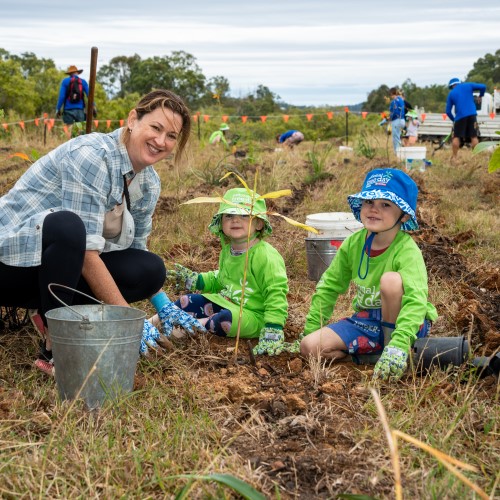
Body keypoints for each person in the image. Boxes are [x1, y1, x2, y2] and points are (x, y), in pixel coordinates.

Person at [0, 89, 205, 376]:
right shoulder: (92, 156)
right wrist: (131, 321)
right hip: (10, 264)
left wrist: (161, 303)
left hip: (51, 270)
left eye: (171, 136)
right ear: (133, 119)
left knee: (150, 270)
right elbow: (84, 251)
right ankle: (56, 344)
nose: (161, 141)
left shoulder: (148, 182)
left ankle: (57, 313)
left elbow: (137, 247)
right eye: (155, 128)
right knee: (69, 227)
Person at [299, 168, 438, 382]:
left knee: (390, 281)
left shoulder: (407, 250)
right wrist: (311, 329)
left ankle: (396, 351)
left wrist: (400, 343)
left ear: (404, 214)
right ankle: (372, 357)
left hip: (405, 323)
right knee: (310, 347)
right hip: (368, 321)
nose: (374, 210)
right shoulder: (353, 244)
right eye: (369, 202)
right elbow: (329, 286)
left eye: (385, 204)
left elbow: (416, 301)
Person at [154, 187, 290, 356]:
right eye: (229, 215)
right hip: (228, 301)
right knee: (186, 300)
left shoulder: (266, 256)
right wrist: (197, 280)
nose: (235, 220)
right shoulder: (228, 250)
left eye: (244, 215)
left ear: (259, 223)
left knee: (224, 319)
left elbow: (276, 293)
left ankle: (184, 329)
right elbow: (222, 278)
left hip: (254, 315)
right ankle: (150, 323)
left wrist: (273, 327)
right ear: (221, 222)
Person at [445, 77, 487, 161]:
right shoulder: (468, 85)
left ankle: (454, 157)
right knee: (474, 136)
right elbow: (483, 86)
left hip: (460, 117)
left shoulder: (451, 93)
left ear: (452, 86)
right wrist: (481, 96)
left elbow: (448, 111)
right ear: (460, 82)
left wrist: (454, 120)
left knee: (456, 137)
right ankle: (476, 157)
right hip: (472, 115)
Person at [388, 87, 406, 153]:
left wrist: (390, 118)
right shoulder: (401, 100)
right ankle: (400, 152)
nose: (391, 96)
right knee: (398, 137)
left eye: (390, 95)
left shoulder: (395, 101)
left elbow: (394, 112)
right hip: (402, 120)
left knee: (396, 138)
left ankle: (397, 153)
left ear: (392, 94)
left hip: (397, 120)